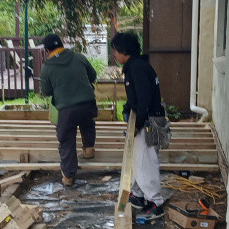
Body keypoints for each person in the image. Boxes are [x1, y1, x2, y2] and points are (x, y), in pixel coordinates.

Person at [110, 31, 166, 219]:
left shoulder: (137, 68)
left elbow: (145, 100)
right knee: (137, 160)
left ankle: (156, 203)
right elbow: (137, 97)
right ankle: (138, 195)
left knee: (145, 162)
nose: (114, 55)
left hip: (149, 121)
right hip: (146, 118)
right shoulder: (136, 66)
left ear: (124, 51)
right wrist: (128, 108)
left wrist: (137, 125)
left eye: (115, 51)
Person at [39, 33, 98, 186]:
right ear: (62, 45)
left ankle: (68, 177)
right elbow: (93, 76)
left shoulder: (47, 67)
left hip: (66, 110)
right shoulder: (79, 57)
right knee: (87, 122)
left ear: (47, 50)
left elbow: (47, 91)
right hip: (88, 104)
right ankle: (89, 149)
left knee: (66, 140)